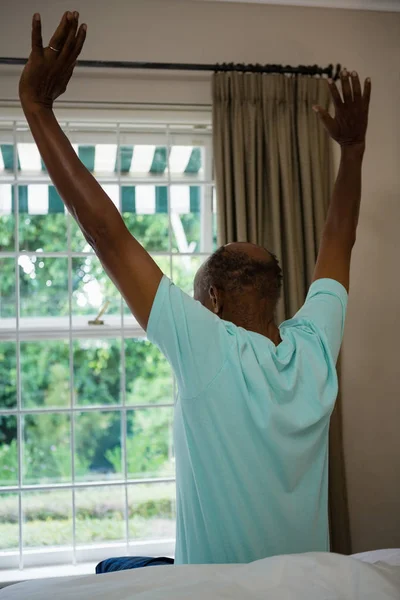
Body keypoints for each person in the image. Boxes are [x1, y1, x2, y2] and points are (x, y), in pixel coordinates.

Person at [19, 12, 370, 569]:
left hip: (212, 588)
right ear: (277, 295)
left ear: (211, 303)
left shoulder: (209, 344)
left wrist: (38, 109)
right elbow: (340, 240)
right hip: (309, 584)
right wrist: (351, 150)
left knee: (112, 572)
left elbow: (107, 235)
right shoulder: (315, 349)